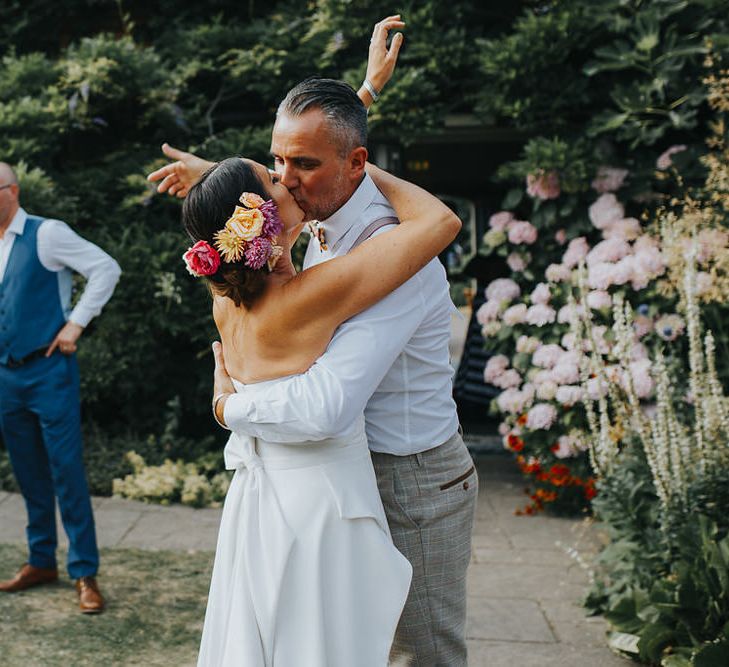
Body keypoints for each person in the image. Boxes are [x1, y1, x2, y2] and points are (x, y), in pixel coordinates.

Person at [150, 17, 478, 665]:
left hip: (410, 480)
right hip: (328, 481)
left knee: (421, 655)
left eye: (299, 165)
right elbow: (290, 182)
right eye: (275, 166)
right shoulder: (306, 220)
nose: (286, 179)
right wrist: (357, 100)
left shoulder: (393, 256)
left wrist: (228, 407)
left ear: (357, 163)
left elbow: (326, 404)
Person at [0, 162, 121, 614]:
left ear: (10, 191)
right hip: (6, 377)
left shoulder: (46, 234)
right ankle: (39, 561)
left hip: (49, 372)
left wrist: (75, 324)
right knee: (27, 471)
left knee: (66, 471)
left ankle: (84, 571)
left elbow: (105, 268)